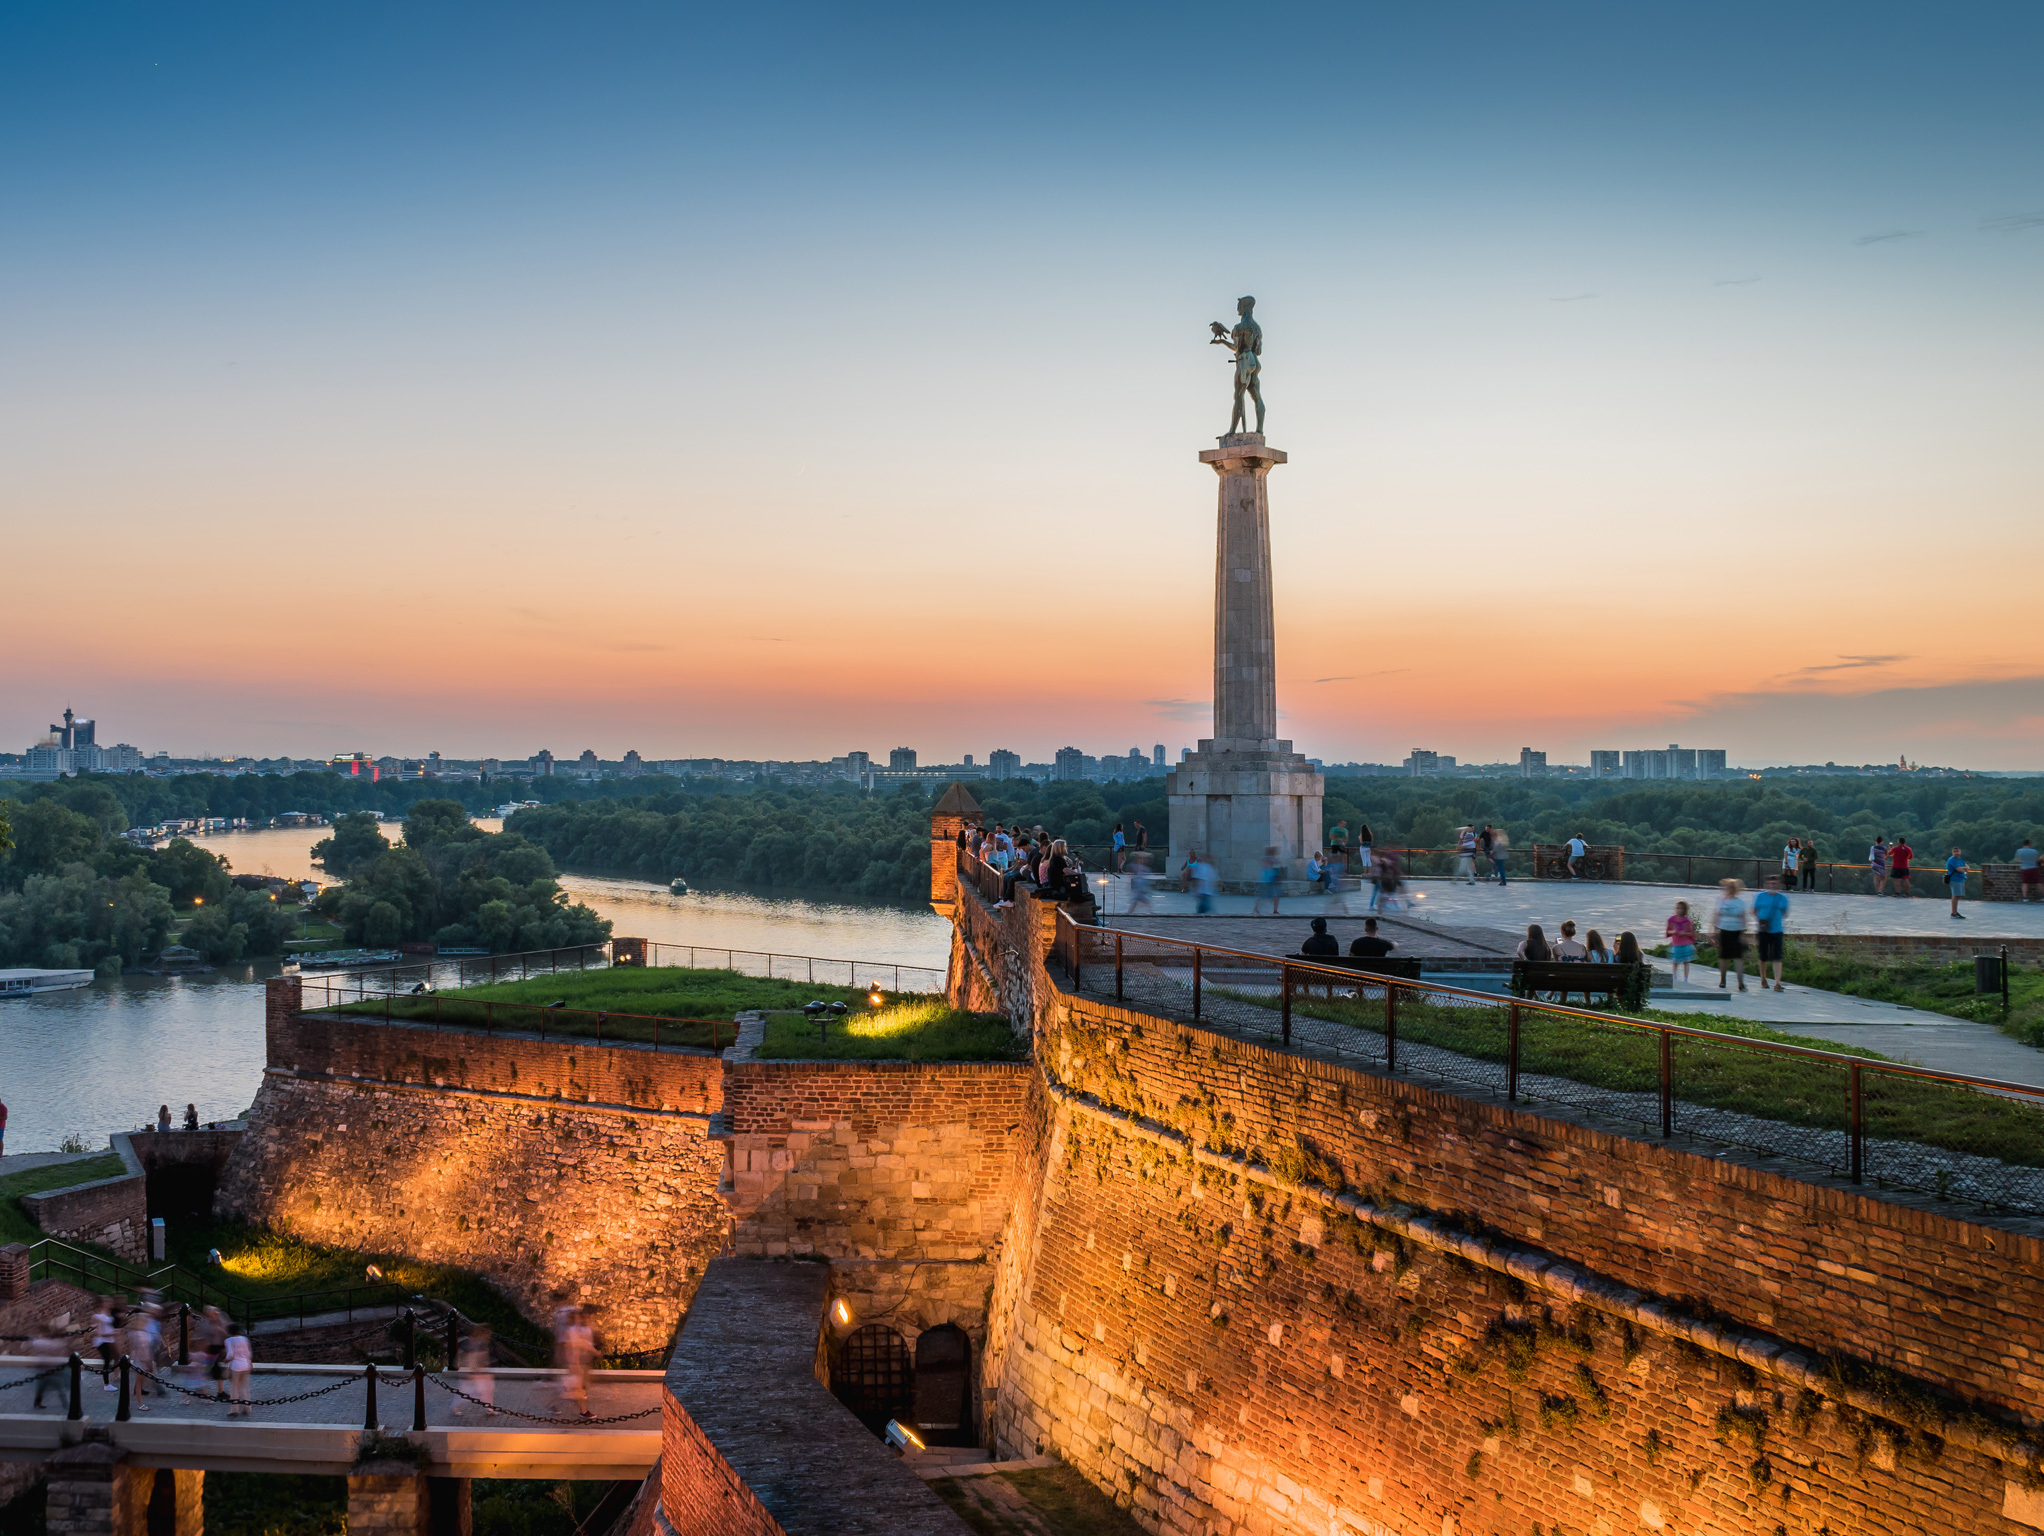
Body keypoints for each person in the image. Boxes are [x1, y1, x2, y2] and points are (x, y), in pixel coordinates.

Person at [1752, 876, 1790, 991]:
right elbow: (1754, 911)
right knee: (1763, 956)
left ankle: (1777, 982)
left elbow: (1785, 912)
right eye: (1770, 884)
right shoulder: (1760, 897)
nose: (1772, 886)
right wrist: (1761, 921)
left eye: (1775, 884)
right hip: (1763, 930)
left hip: (1777, 930)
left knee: (1777, 957)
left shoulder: (1782, 898)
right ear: (1766, 885)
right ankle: (1763, 978)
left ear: (1779, 885)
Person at [1715, 879, 1750, 991]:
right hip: (1724, 930)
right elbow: (1717, 915)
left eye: (1732, 888)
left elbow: (1743, 917)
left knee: (1738, 958)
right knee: (1724, 958)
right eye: (1728, 888)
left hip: (1736, 931)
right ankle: (1722, 980)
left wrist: (1743, 933)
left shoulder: (1740, 902)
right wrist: (1714, 930)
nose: (1729, 890)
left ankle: (1741, 983)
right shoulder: (1722, 901)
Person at [454, 1325, 497, 1418]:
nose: (489, 1335)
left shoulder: (481, 1342)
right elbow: (473, 1357)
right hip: (476, 1371)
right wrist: (472, 1371)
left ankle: (490, 1408)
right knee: (467, 1390)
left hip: (480, 1371)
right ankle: (455, 1407)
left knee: (487, 1389)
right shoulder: (478, 1343)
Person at [28, 1327, 67, 1410]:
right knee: (59, 1387)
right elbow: (59, 1346)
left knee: (41, 1388)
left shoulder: (39, 1342)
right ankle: (65, 1404)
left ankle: (37, 1403)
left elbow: (34, 1342)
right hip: (51, 1369)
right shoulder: (53, 1343)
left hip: (43, 1368)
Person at [1664, 901, 1698, 983]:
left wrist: (1684, 933)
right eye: (1677, 908)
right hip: (1676, 943)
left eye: (1681, 909)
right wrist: (1673, 932)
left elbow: (1692, 933)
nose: (1679, 910)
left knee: (1686, 961)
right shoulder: (1671, 919)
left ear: (1684, 910)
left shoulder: (1688, 921)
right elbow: (1668, 931)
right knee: (1675, 961)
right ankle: (1674, 976)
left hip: (1686, 943)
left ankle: (1686, 978)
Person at [223, 1325, 253, 1417]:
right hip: (245, 1364)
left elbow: (231, 1354)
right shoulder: (245, 1339)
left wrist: (225, 1360)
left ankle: (234, 1410)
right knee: (244, 1387)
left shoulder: (228, 1340)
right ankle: (247, 1408)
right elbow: (248, 1353)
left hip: (235, 1366)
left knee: (234, 1388)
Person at [92, 1298, 119, 1389]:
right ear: (103, 1304)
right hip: (103, 1341)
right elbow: (100, 1333)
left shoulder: (109, 1313)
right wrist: (112, 1333)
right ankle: (106, 1384)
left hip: (110, 1340)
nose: (111, 1304)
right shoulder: (98, 1316)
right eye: (108, 1302)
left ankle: (115, 1376)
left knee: (114, 1358)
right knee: (107, 1360)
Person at [1255, 846, 1284, 916]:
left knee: (1272, 896)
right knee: (1269, 896)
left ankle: (1274, 910)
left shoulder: (1269, 859)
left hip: (1270, 880)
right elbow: (1269, 867)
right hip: (1270, 880)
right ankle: (1273, 910)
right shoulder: (1269, 859)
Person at [1945, 846, 1969, 919]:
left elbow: (1968, 867)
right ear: (1953, 852)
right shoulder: (1952, 860)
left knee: (1958, 895)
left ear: (1960, 852)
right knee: (1955, 896)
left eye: (1958, 851)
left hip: (1961, 879)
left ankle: (1955, 912)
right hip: (1954, 879)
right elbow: (1960, 870)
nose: (1957, 853)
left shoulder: (1960, 860)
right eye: (1955, 852)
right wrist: (1964, 868)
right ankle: (1954, 913)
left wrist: (1964, 868)